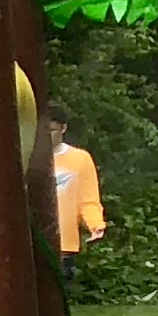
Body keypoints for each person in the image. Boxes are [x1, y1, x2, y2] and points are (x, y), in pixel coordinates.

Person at [53, 107, 106, 286]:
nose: (47, 135)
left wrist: (95, 224)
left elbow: (88, 199)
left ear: (63, 129)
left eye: (52, 130)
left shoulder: (80, 159)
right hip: (33, 239)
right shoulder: (29, 157)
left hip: (64, 243)